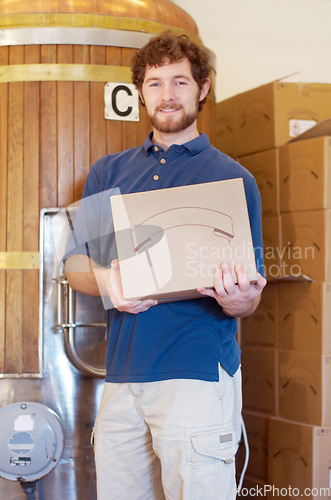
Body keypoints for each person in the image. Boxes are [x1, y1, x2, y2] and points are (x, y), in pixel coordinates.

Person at [64, 30, 266, 500]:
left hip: (195, 377)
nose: (167, 95)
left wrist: (240, 301)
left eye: (180, 82)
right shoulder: (109, 172)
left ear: (203, 88)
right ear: (140, 92)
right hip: (122, 377)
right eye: (155, 83)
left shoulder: (234, 179)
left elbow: (249, 297)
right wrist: (105, 279)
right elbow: (76, 264)